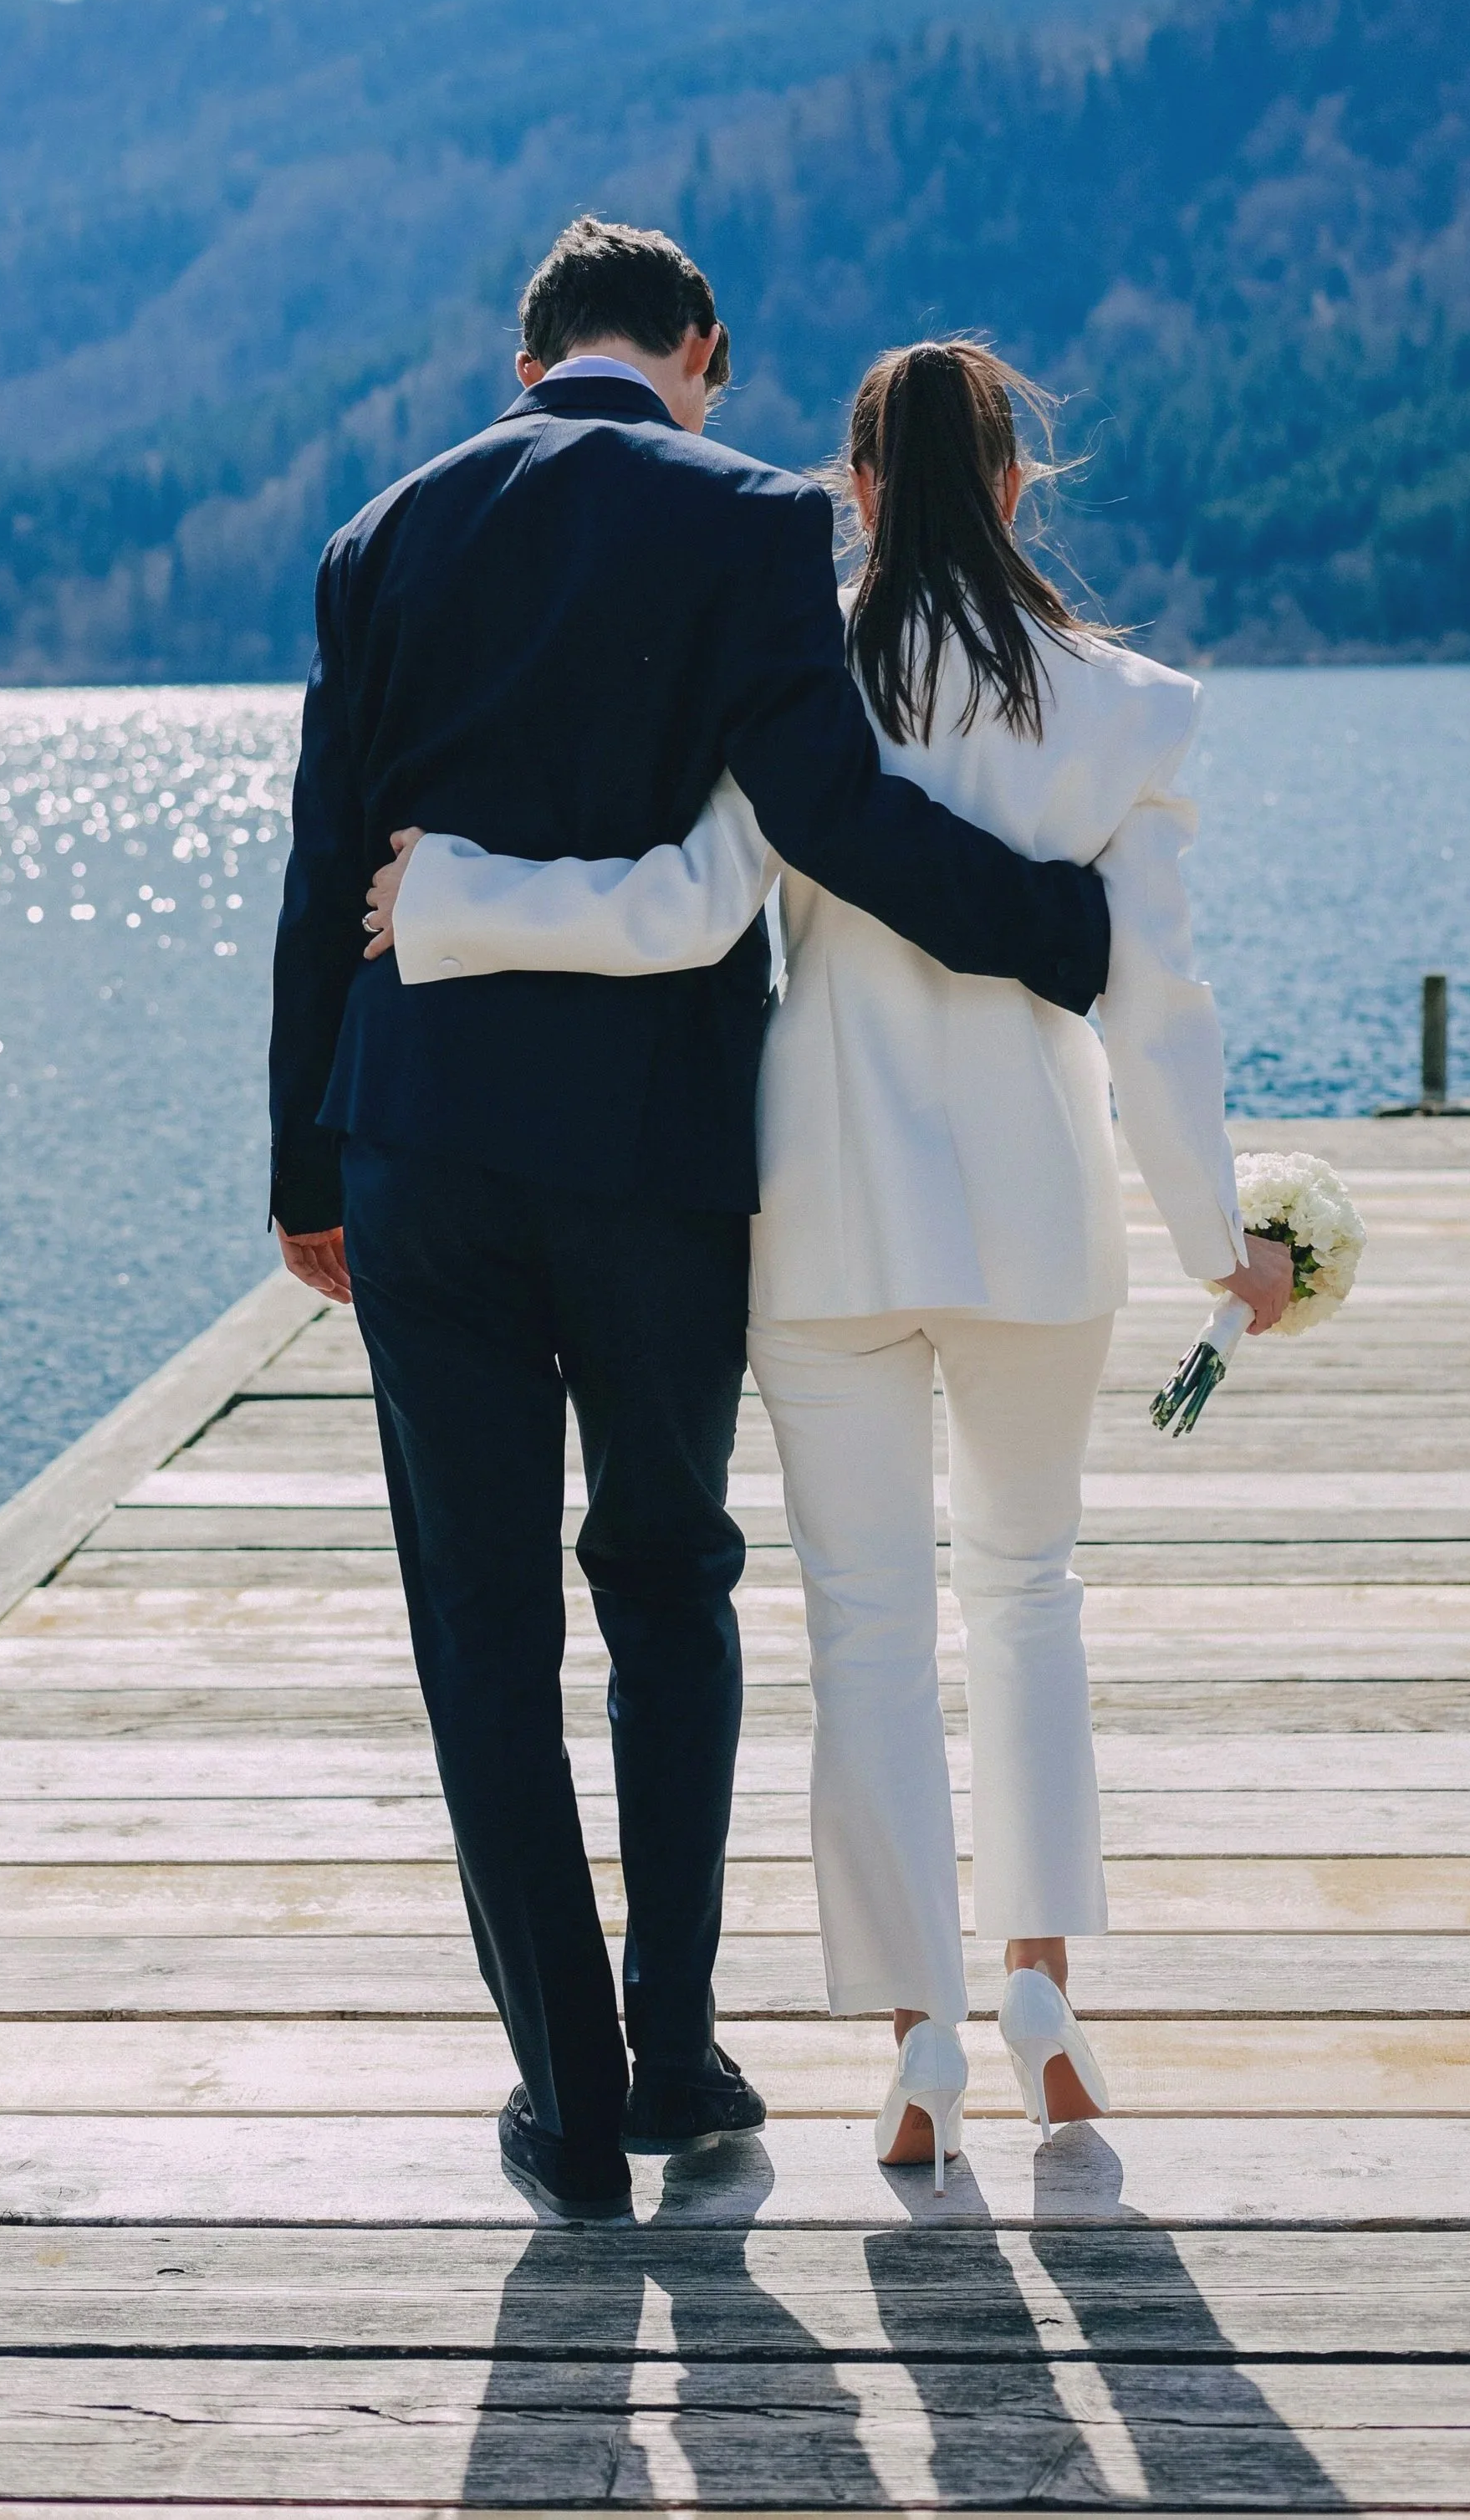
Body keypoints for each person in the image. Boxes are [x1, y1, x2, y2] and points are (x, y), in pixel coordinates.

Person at [361, 336, 1291, 2185]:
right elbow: (1155, 1009)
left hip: (823, 1219)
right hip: (1036, 1211)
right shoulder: (1130, 709)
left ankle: (916, 2044)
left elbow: (681, 910)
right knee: (1025, 1593)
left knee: (865, 1628)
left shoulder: (796, 672)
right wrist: (1224, 1242)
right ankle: (1041, 1992)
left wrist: (447, 899)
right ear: (1016, 485)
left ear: (851, 493)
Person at [268, 224, 1116, 2225]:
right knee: (664, 1579)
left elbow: (324, 875)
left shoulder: (375, 537)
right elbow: (824, 813)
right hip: (654, 1160)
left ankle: (560, 2105)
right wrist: (1053, 930)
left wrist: (304, 1172)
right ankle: (674, 2048)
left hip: (419, 1147)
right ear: (701, 354)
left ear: (527, 352)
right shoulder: (748, 523)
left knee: (478, 1620)